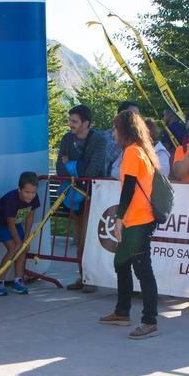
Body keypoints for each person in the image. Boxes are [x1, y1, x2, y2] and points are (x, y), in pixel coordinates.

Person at [98, 110, 160, 339]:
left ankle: (149, 320)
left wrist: (119, 219)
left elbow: (128, 188)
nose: (113, 132)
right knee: (121, 262)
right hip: (139, 218)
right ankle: (122, 312)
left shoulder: (133, 152)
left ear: (124, 130)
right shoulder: (142, 150)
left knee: (143, 270)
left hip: (139, 220)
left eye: (115, 128)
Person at [56, 104, 108, 292]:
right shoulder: (67, 139)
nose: (70, 124)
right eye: (70, 120)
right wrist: (75, 167)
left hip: (94, 195)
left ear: (86, 123)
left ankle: (91, 278)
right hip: (76, 195)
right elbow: (60, 168)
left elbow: (93, 170)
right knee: (80, 236)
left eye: (74, 121)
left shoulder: (99, 140)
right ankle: (83, 276)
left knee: (90, 237)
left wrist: (71, 164)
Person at [0, 171, 40, 296]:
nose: (30, 196)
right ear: (19, 189)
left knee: (23, 249)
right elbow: (10, 223)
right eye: (27, 192)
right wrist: (19, 242)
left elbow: (30, 217)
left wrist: (26, 238)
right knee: (13, 248)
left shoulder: (34, 198)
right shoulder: (10, 200)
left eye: (33, 192)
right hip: (2, 224)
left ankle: (18, 280)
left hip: (17, 223)